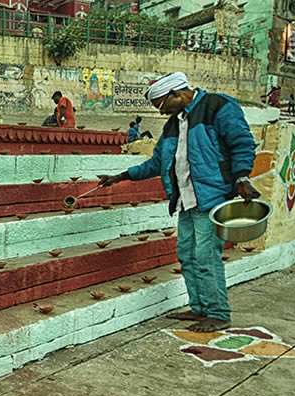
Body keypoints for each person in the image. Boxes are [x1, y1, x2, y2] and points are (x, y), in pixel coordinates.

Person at [97, 72, 258, 332]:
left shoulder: (217, 106)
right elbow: (156, 163)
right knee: (187, 255)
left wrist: (242, 177)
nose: (161, 113)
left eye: (162, 105)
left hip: (211, 198)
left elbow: (242, 143)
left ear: (177, 94)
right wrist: (121, 176)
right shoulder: (173, 125)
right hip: (185, 201)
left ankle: (218, 313)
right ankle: (200, 308)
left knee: (206, 257)